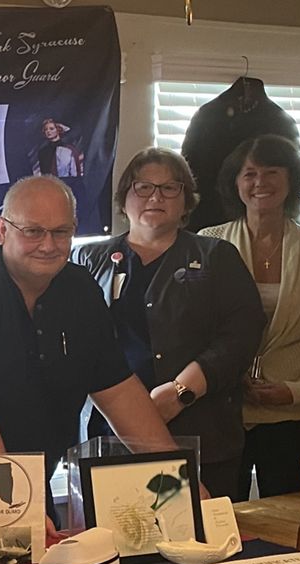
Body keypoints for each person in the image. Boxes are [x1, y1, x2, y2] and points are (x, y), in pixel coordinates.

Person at [0, 176, 181, 538]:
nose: (48, 245)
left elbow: (119, 392)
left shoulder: (80, 289)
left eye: (61, 232)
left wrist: (178, 482)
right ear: (2, 230)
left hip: (29, 484)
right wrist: (15, 508)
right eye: (33, 231)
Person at [74, 148, 265, 500]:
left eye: (169, 188)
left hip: (202, 435)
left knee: (205, 540)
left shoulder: (216, 257)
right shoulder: (88, 259)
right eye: (143, 187)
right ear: (124, 197)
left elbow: (242, 333)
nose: (156, 197)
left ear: (186, 199)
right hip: (110, 434)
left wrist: (180, 392)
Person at [199, 135, 300, 498]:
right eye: (249, 173)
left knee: (295, 522)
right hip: (225, 409)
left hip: (297, 413)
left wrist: (296, 390)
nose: (260, 182)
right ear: (235, 183)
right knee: (221, 519)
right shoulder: (208, 243)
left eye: (272, 171)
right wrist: (230, 374)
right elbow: (197, 333)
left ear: (292, 180)